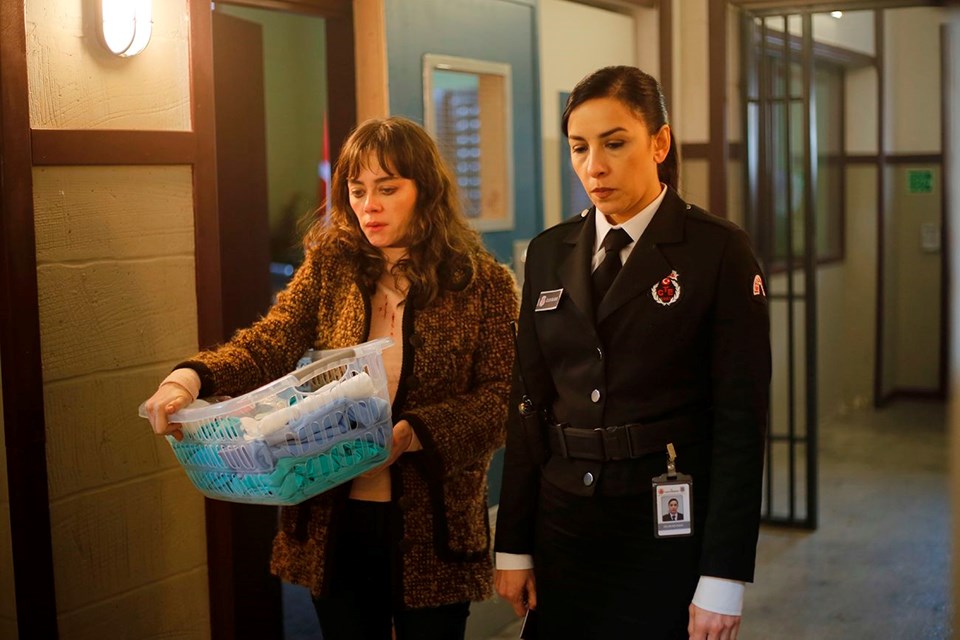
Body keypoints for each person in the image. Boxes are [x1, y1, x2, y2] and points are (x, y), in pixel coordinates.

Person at [143, 116, 519, 640]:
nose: (369, 206)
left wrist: (416, 433)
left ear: (426, 191)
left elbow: (503, 399)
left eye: (388, 189)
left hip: (434, 523)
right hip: (335, 517)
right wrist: (188, 379)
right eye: (357, 190)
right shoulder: (331, 266)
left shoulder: (482, 283)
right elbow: (270, 342)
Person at [494, 65, 771, 640]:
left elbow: (741, 422)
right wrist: (514, 544)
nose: (593, 166)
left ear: (659, 143)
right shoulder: (549, 252)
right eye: (579, 148)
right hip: (563, 520)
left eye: (614, 143)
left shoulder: (717, 250)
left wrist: (723, 575)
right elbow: (527, 404)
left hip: (664, 526)